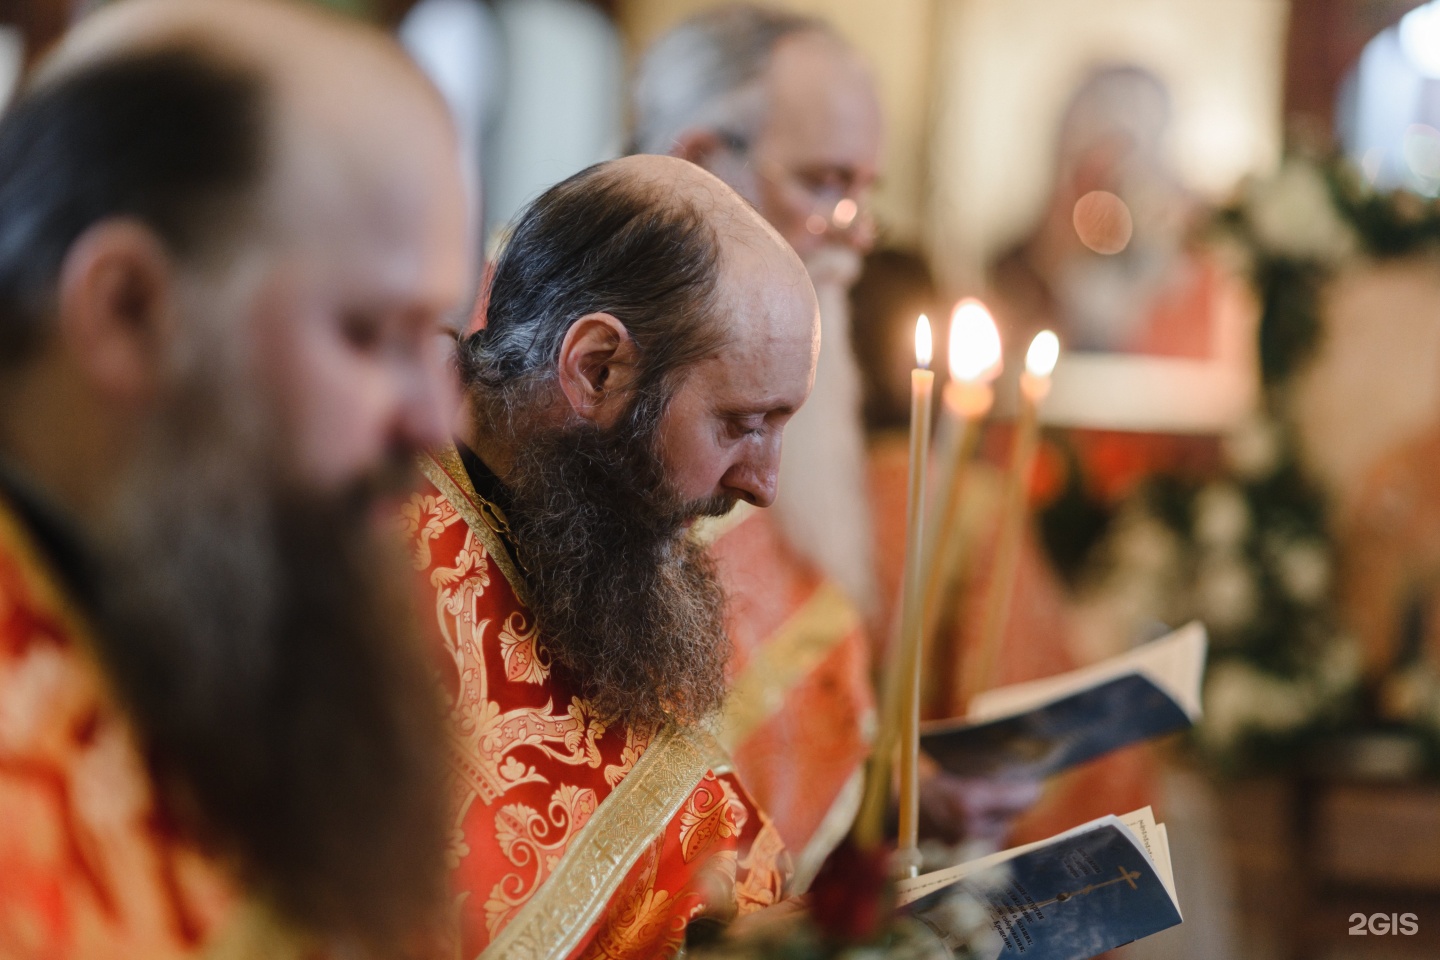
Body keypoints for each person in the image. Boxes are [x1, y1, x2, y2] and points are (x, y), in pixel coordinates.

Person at [0, 0, 471, 956]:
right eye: (371, 334)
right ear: (128, 312)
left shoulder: (209, 613)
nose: (436, 420)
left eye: (437, 337)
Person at [632, 4, 1038, 887]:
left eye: (867, 189)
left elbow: (789, 723)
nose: (858, 230)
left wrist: (896, 791)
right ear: (700, 162)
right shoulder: (561, 388)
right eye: (823, 183)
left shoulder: (789, 414)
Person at [403, 154, 810, 959]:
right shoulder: (356, 553)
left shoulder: (596, 559)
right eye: (741, 423)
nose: (764, 484)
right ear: (596, 368)